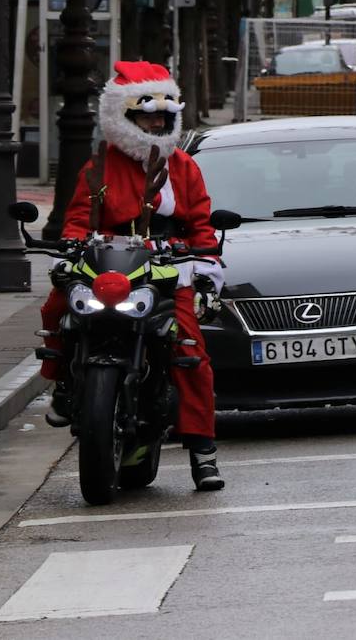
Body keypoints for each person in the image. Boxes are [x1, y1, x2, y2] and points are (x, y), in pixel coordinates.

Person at [37, 61, 226, 492]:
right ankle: (63, 386)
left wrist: (205, 259)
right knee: (56, 306)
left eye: (163, 115)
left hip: (166, 267)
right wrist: (69, 250)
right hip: (106, 263)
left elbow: (200, 223)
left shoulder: (183, 167)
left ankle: (202, 452)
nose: (156, 122)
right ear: (125, 117)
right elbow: (77, 220)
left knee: (189, 344)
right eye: (147, 115)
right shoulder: (98, 166)